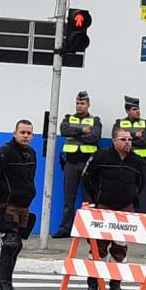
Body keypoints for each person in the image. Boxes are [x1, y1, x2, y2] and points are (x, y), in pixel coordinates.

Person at [82, 125, 146, 290]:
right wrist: (94, 199)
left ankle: (115, 286)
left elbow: (142, 183)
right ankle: (93, 285)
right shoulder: (101, 156)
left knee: (120, 248)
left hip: (125, 209)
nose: (128, 142)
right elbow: (87, 177)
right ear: (114, 141)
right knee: (98, 248)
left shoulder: (137, 161)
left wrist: (133, 200)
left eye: (129, 139)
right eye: (123, 139)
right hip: (103, 207)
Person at [0, 117, 39, 290]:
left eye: (29, 133)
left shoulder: (31, 153)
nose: (26, 136)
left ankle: (9, 284)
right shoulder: (4, 152)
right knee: (10, 242)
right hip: (8, 205)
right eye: (22, 132)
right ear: (15, 133)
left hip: (24, 205)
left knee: (18, 244)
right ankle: (4, 287)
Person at [51, 89, 100, 237]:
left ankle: (88, 229)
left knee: (89, 199)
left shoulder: (95, 121)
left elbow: (94, 138)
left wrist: (76, 134)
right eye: (77, 103)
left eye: (82, 103)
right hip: (71, 163)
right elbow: (64, 131)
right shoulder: (68, 118)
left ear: (88, 104)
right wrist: (82, 131)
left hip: (88, 164)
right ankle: (66, 228)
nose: (79, 106)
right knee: (68, 198)